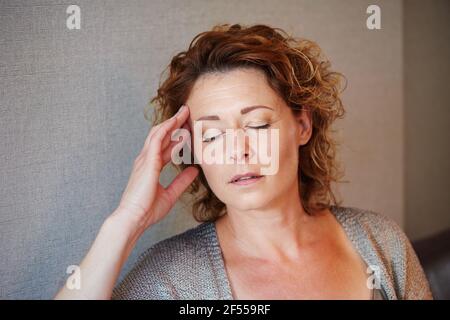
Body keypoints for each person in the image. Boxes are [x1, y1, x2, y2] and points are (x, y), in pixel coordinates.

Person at [54, 23, 432, 300]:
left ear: (302, 125)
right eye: (213, 135)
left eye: (256, 124)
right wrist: (126, 222)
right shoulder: (172, 278)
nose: (238, 150)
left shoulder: (380, 242)